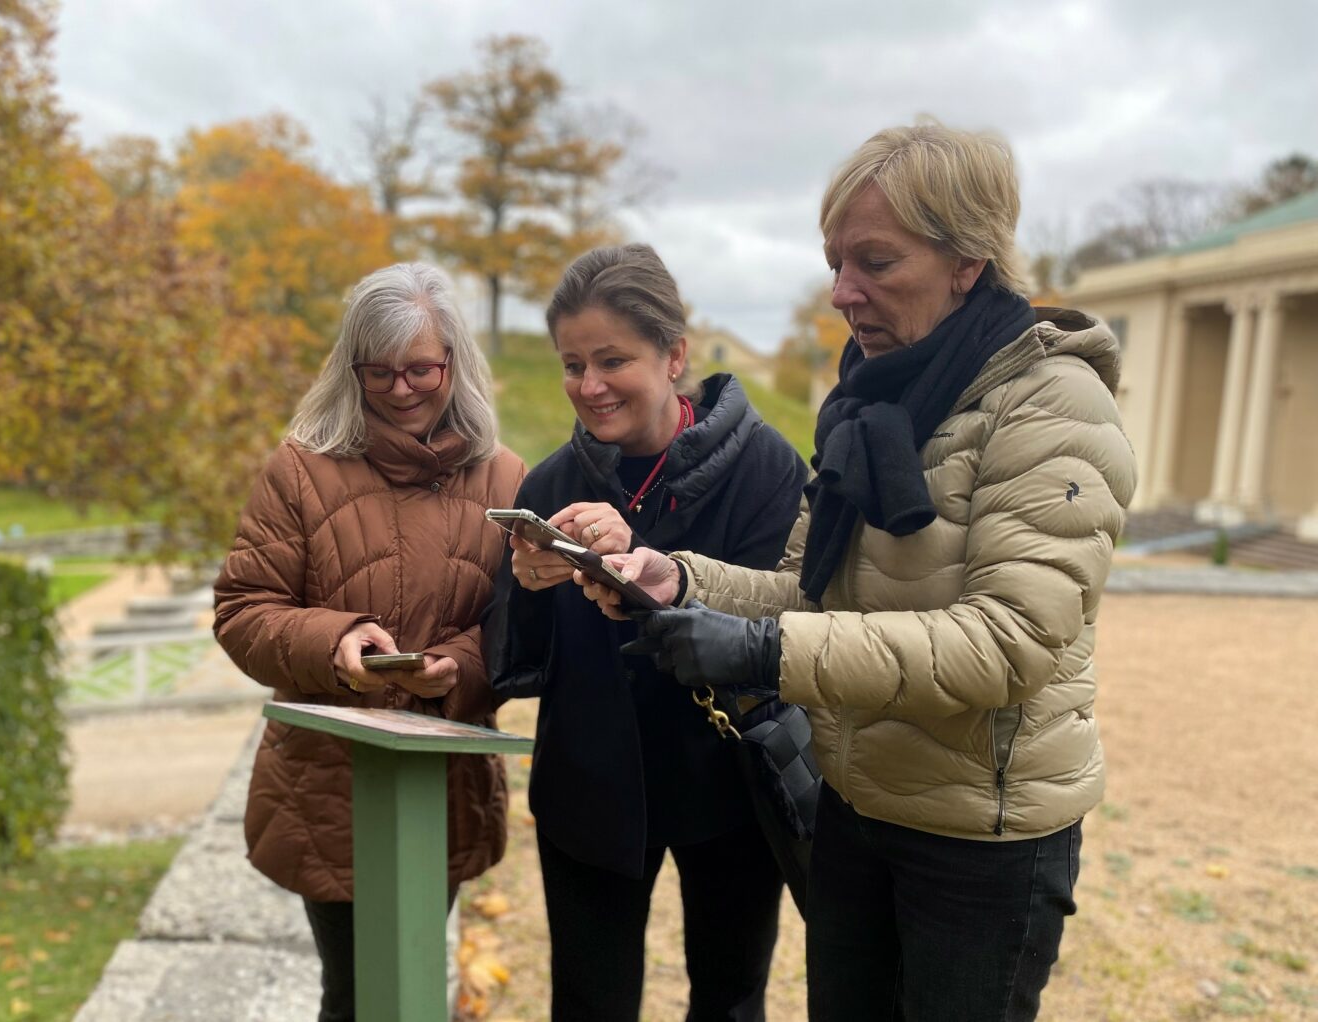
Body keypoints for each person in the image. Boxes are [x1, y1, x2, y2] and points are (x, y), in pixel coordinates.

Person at [582, 122, 1138, 1021]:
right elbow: (811, 592)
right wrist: (677, 581)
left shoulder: (1054, 406)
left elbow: (1008, 646)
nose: (843, 292)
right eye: (836, 261)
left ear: (967, 261)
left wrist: (761, 653)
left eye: (876, 262)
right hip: (852, 805)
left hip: (978, 843)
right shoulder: (871, 399)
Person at [486, 243, 809, 1021]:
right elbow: (519, 660)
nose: (588, 387)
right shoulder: (552, 482)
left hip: (729, 782)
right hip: (589, 784)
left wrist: (632, 554)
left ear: (674, 356)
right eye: (571, 364)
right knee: (590, 1005)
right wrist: (526, 587)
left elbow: (782, 628)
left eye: (611, 360)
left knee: (731, 1001)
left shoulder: (767, 468)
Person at [213, 263, 524, 1022]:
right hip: (327, 782)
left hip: (441, 778)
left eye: (420, 368)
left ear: (455, 362)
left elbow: (521, 630)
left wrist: (461, 668)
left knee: (419, 977)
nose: (400, 387)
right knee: (354, 994)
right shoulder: (299, 470)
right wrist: (337, 640)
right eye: (378, 370)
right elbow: (242, 609)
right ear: (351, 367)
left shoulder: (505, 479)